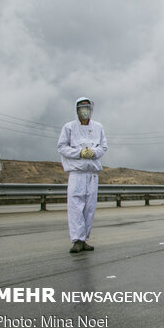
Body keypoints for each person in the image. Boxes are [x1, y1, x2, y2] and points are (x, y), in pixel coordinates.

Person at [57, 97, 107, 254]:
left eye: (87, 108)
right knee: (75, 206)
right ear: (76, 110)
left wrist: (93, 152)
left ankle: (84, 238)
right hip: (77, 172)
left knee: (89, 207)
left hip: (92, 173)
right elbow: (62, 147)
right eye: (81, 108)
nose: (84, 111)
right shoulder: (69, 127)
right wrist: (79, 153)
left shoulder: (98, 127)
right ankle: (76, 240)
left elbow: (103, 146)